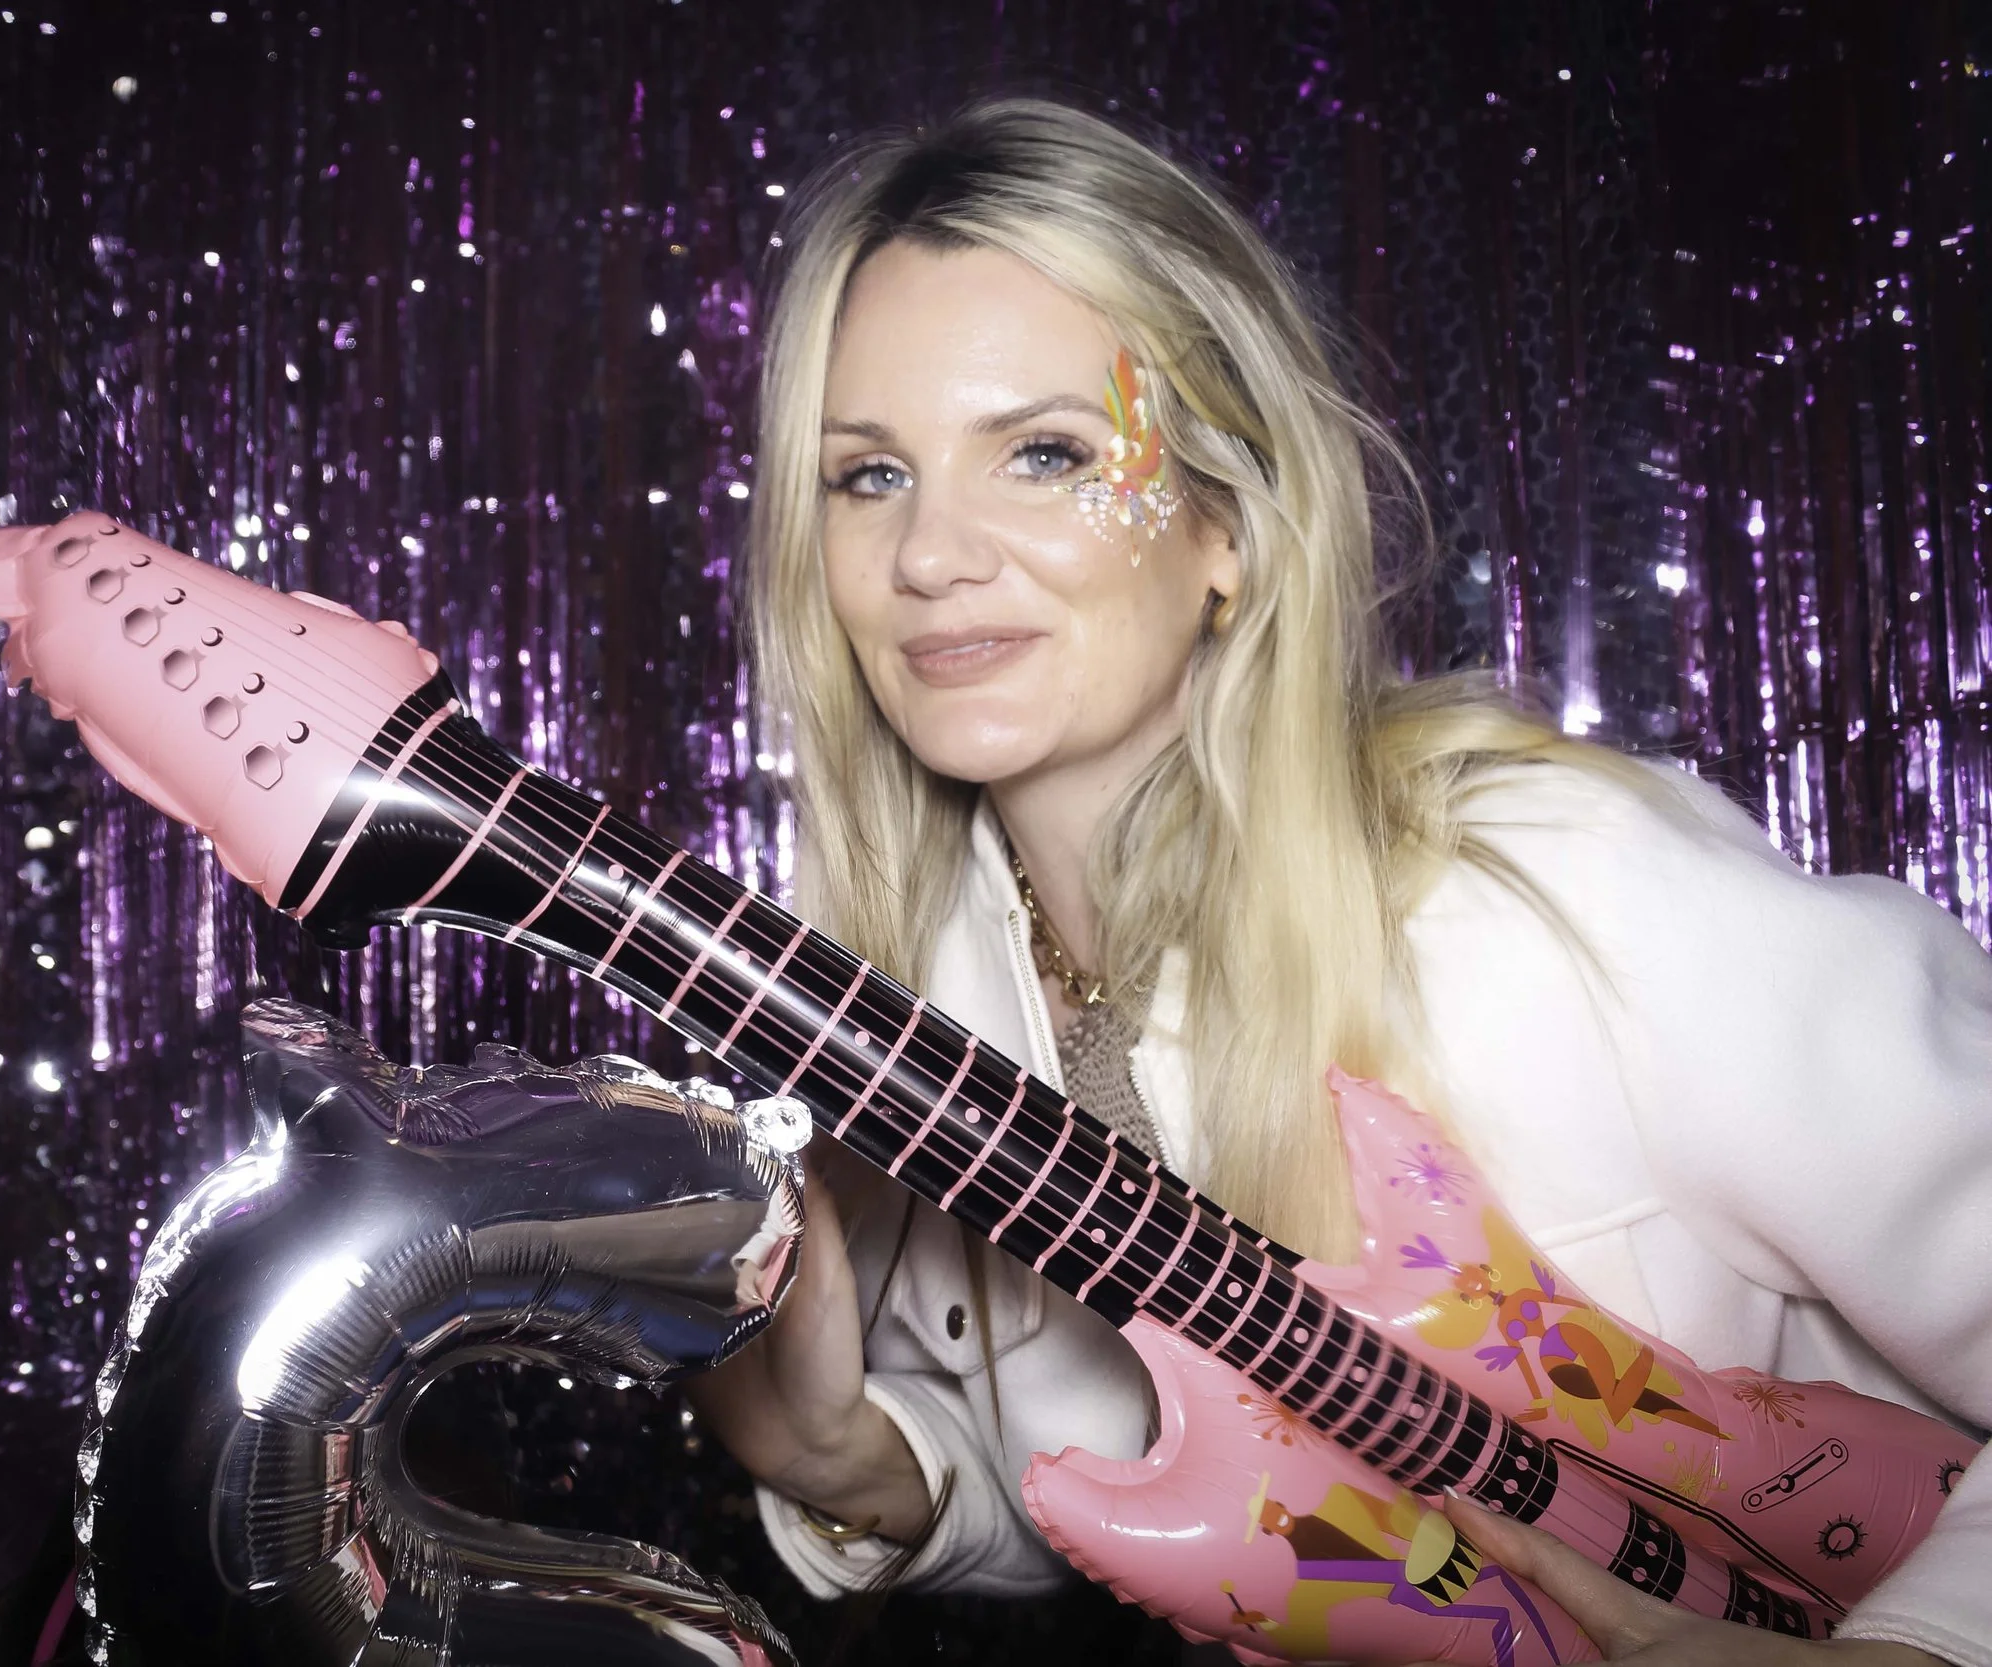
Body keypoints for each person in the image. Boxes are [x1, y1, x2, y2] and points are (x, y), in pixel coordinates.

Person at [683, 97, 1990, 1665]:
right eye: (867, 476)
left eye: (1044, 452)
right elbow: (1168, 1478)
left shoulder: (1556, 894)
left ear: (1225, 525)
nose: (929, 554)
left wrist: (1913, 1650)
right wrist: (865, 1462)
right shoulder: (926, 997)